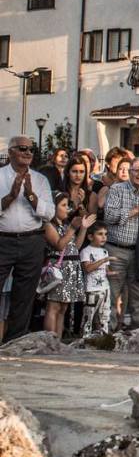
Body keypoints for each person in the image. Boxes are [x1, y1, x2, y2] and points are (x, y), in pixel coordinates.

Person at [0, 135, 56, 343]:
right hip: (3, 239)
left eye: (31, 150)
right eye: (22, 148)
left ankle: (14, 342)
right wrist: (11, 196)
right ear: (11, 151)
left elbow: (49, 213)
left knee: (24, 295)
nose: (27, 153)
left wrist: (31, 196)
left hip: (32, 241)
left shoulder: (39, 180)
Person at [103, 157, 139, 331]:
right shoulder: (117, 189)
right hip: (116, 250)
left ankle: (137, 333)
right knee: (113, 295)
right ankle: (109, 333)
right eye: (137, 170)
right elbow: (109, 217)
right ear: (130, 172)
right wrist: (138, 209)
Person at [42, 194, 95, 338]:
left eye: (68, 205)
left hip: (71, 268)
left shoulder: (65, 225)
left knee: (63, 307)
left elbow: (75, 247)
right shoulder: (48, 225)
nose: (68, 209)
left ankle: (57, 341)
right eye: (64, 205)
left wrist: (83, 228)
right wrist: (72, 228)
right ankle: (49, 340)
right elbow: (59, 245)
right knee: (53, 306)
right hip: (58, 269)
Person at [80, 223, 117, 336]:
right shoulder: (86, 251)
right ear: (90, 237)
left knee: (104, 314)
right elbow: (88, 268)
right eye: (100, 234)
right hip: (92, 289)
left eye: (105, 234)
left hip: (105, 288)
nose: (104, 237)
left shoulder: (104, 251)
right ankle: (85, 337)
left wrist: (113, 273)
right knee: (89, 314)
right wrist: (104, 260)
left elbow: (105, 271)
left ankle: (103, 337)